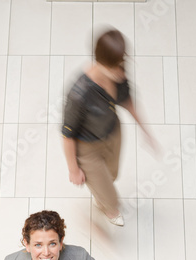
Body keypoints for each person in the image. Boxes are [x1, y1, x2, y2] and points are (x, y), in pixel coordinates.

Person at [62, 28, 156, 227]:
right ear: (101, 62)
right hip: (88, 149)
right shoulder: (79, 93)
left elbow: (127, 100)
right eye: (116, 68)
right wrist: (73, 168)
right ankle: (109, 209)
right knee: (110, 197)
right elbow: (67, 133)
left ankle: (102, 196)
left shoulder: (118, 71)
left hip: (113, 134)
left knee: (112, 174)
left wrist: (145, 130)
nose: (121, 74)